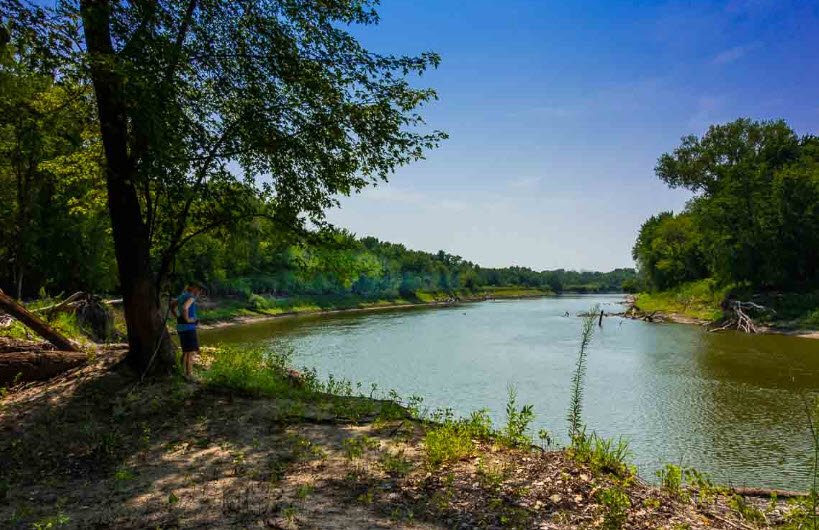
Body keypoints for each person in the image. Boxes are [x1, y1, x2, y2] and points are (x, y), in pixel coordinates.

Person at [170, 282, 202, 378]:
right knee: (190, 353)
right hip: (188, 328)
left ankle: (182, 372)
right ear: (193, 288)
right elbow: (185, 308)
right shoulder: (191, 297)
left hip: (181, 327)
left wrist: (178, 317)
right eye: (199, 289)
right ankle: (189, 375)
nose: (199, 291)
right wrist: (188, 319)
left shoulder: (181, 296)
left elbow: (172, 306)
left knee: (185, 352)